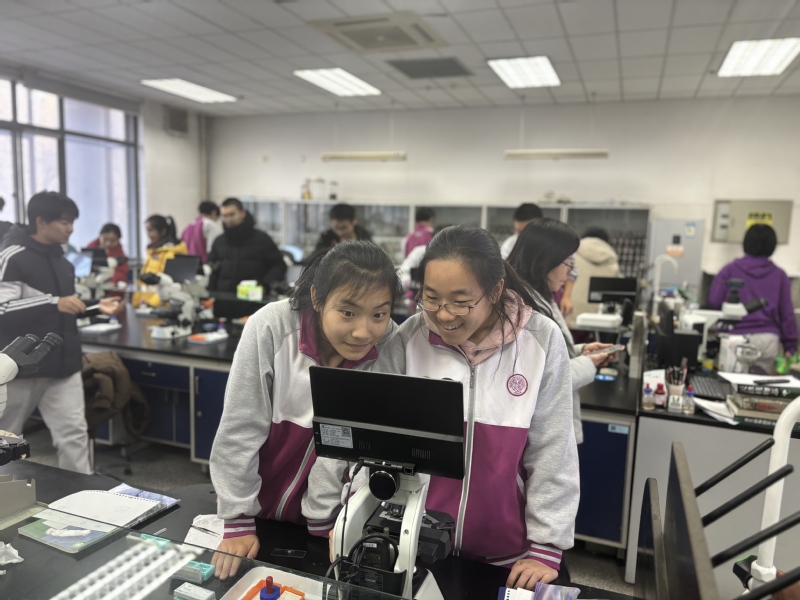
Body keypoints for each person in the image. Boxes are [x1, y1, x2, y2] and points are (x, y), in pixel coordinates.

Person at [369, 225, 579, 590]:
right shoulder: (408, 340)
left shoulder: (541, 340)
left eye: (460, 301)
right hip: (417, 546)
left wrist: (546, 546)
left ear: (496, 291)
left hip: (507, 558)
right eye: (431, 298)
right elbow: (375, 441)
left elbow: (553, 450)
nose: (443, 314)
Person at [209, 241, 401, 580]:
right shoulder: (271, 327)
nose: (363, 332)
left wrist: (345, 519)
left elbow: (369, 449)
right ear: (316, 297)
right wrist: (238, 519)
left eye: (379, 315)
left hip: (331, 527)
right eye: (347, 312)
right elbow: (240, 427)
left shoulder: (389, 345)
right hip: (257, 517)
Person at [0, 192, 122, 474]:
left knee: (74, 435)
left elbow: (64, 305)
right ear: (41, 221)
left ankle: (83, 493)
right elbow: (3, 307)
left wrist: (95, 306)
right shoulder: (12, 256)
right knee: (7, 437)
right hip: (19, 369)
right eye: (64, 222)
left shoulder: (63, 261)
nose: (70, 229)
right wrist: (54, 302)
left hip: (63, 366)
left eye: (72, 222)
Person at [508, 218, 618, 445]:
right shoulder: (526, 311)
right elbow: (544, 379)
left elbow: (546, 354)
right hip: (538, 432)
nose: (569, 274)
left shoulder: (541, 296)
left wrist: (578, 350)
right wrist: (588, 363)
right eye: (567, 263)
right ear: (546, 260)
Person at [709, 224, 797, 373]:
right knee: (760, 383)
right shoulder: (780, 275)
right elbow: (787, 314)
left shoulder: (729, 270)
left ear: (746, 243)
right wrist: (791, 346)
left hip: (733, 338)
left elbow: (714, 302)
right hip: (767, 340)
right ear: (772, 246)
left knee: (729, 381)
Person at [207, 198, 286, 293]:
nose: (228, 219)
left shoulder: (262, 239)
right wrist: (210, 293)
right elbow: (213, 271)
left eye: (232, 214)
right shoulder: (219, 241)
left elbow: (278, 266)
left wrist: (264, 284)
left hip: (252, 298)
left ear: (243, 213)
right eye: (224, 216)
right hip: (223, 298)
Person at [566, 227, 621, 330]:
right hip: (600, 320)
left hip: (570, 313)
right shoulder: (612, 260)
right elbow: (617, 294)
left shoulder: (572, 254)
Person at [132, 214, 187, 307]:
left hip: (162, 307)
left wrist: (152, 303)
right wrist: (136, 302)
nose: (149, 234)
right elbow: (142, 282)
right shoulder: (152, 252)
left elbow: (171, 285)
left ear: (163, 231)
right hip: (145, 306)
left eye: (151, 230)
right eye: (147, 230)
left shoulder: (171, 253)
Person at [86, 223, 128, 287]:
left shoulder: (121, 258)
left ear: (118, 240)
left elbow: (121, 276)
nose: (108, 243)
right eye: (105, 239)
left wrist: (111, 276)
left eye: (113, 241)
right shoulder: (90, 249)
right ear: (100, 236)